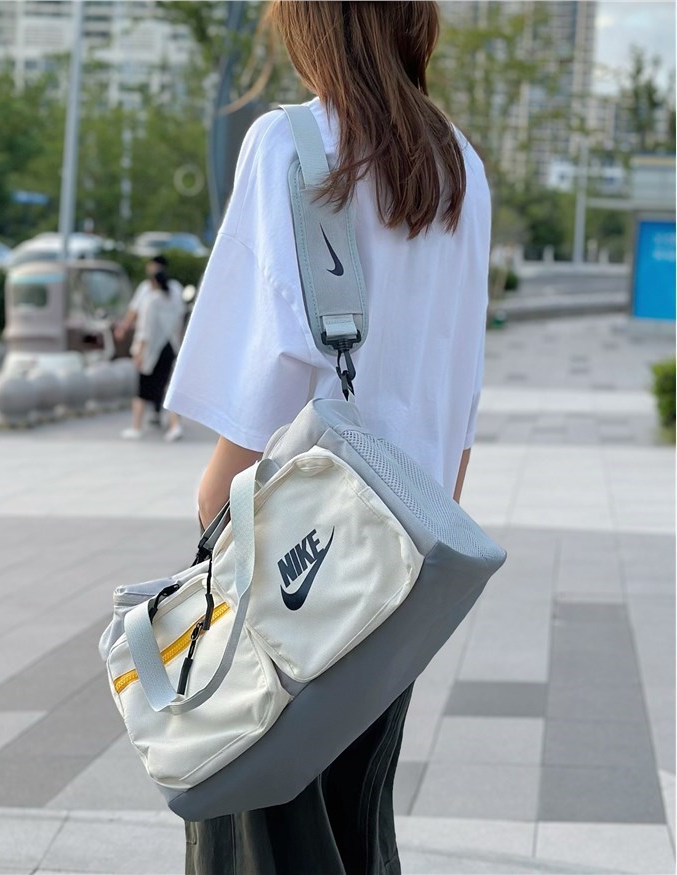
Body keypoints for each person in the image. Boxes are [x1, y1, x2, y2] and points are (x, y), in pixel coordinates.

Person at [163, 2, 489, 872]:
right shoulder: (460, 165)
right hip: (405, 561)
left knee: (258, 830)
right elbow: (460, 399)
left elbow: (251, 399)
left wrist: (210, 529)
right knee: (355, 828)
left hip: (293, 566)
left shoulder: (291, 145)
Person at [115, 255, 185, 428]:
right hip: (171, 345)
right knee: (166, 383)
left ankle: (137, 426)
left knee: (144, 387)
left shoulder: (149, 297)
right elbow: (181, 319)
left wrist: (138, 350)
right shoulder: (175, 290)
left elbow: (144, 328)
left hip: (151, 347)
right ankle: (173, 423)